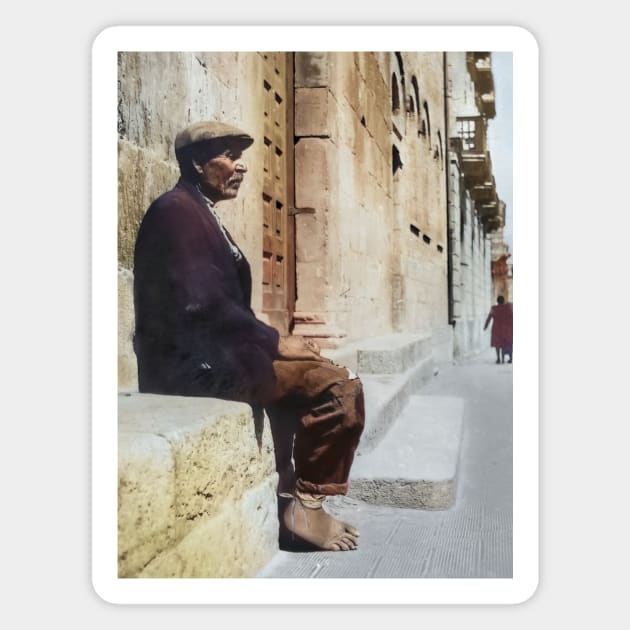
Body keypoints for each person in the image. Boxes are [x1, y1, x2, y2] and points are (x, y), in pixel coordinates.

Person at [133, 120, 365, 552]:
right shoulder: (175, 212)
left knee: (330, 371)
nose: (240, 168)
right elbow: (202, 305)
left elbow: (219, 306)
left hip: (217, 355)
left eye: (241, 158)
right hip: (191, 369)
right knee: (339, 389)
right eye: (229, 157)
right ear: (198, 163)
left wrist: (275, 345)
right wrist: (277, 342)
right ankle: (306, 505)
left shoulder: (197, 210)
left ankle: (291, 488)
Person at [483, 295, 513, 363]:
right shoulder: (508, 308)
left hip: (496, 329)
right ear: (503, 301)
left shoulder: (493, 308)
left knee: (497, 344)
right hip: (506, 329)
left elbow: (489, 317)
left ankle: (498, 359)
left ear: (497, 301)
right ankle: (504, 359)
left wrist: (486, 326)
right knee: (504, 344)